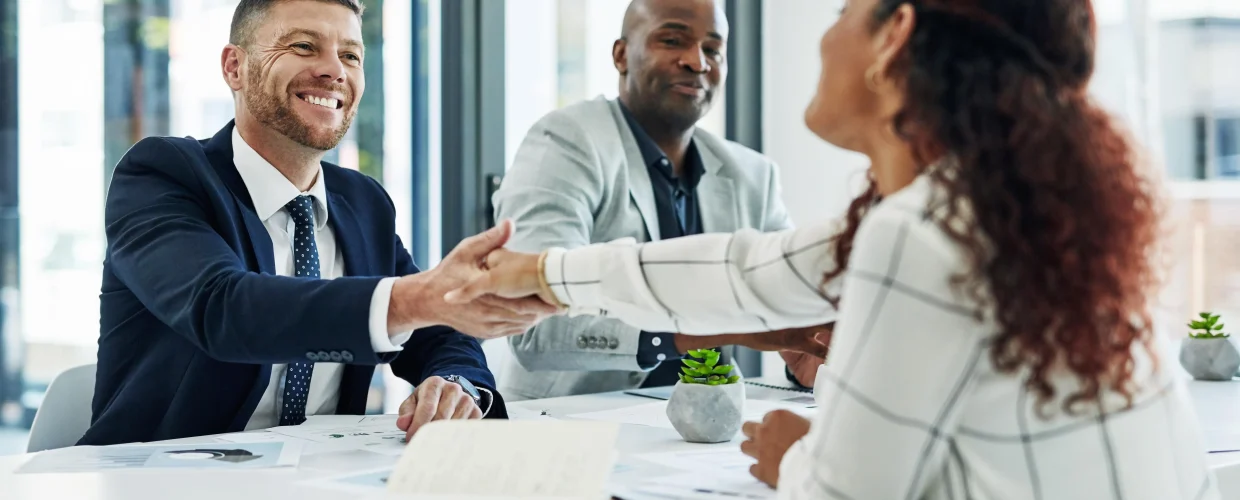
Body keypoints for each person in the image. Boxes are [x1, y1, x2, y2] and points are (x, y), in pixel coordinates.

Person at [448, 0, 1220, 498]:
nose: (825, 32)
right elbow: (750, 271)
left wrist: (799, 459)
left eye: (844, 8)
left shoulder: (922, 229)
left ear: (895, 37)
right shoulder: (994, 205)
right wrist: (543, 270)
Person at [84, 0, 554, 446]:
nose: (335, 71)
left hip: (320, 473)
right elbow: (223, 308)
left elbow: (437, 331)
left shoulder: (364, 202)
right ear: (234, 67)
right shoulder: (163, 175)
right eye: (304, 46)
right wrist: (416, 298)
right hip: (165, 476)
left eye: (351, 55)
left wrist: (456, 385)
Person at [493, 0, 826, 400]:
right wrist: (707, 329)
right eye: (672, 40)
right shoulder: (566, 142)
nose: (697, 62)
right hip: (570, 417)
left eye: (713, 49)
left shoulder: (753, 175)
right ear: (621, 55)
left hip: (709, 423)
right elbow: (531, 321)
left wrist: (808, 359)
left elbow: (793, 303)